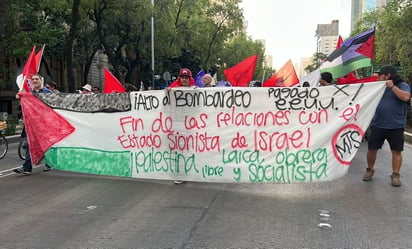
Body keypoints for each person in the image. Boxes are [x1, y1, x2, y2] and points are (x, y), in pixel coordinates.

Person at [363, 65, 410, 187]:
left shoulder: (401, 85)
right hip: (378, 125)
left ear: (388, 75)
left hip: (396, 126)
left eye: (380, 75)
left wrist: (392, 86)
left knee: (396, 151)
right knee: (372, 149)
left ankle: (395, 175)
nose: (377, 77)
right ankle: (370, 169)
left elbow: (405, 97)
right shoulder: (378, 87)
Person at [14, 74, 53, 174]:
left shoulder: (47, 92)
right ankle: (27, 168)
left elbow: (52, 106)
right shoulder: (29, 93)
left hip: (44, 124)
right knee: (29, 145)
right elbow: (24, 106)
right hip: (31, 124)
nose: (34, 81)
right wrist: (20, 97)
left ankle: (49, 164)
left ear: (41, 81)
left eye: (37, 79)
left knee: (45, 145)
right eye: (33, 79)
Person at [167, 68, 195, 184]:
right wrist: (167, 92)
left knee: (187, 150)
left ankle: (187, 172)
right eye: (182, 77)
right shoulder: (173, 90)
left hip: (189, 125)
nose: (184, 79)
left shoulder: (194, 90)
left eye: (186, 77)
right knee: (177, 150)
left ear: (190, 79)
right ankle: (179, 174)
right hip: (176, 124)